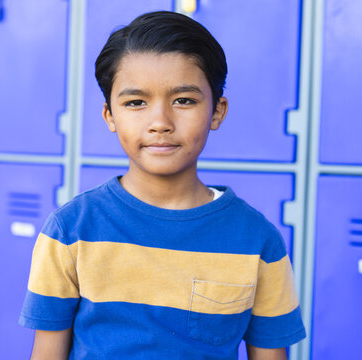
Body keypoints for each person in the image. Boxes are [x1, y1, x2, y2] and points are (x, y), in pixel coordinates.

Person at [19, 11, 306, 359]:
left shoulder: (257, 239)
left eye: (184, 100)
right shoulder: (70, 231)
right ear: (110, 115)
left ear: (217, 111)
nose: (160, 122)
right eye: (136, 102)